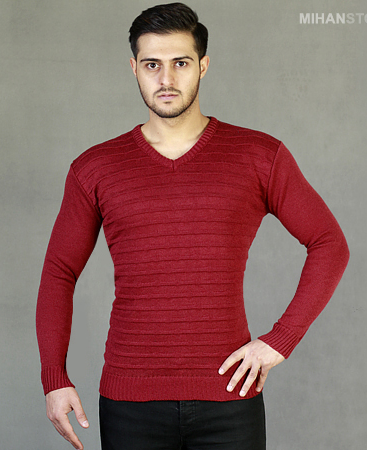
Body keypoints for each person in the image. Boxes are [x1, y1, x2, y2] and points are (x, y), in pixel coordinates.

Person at [36, 3, 350, 450]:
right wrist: (54, 377)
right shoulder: (96, 167)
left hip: (231, 399)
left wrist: (280, 341)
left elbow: (329, 243)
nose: (166, 79)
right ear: (134, 69)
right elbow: (59, 272)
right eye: (152, 65)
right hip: (130, 403)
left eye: (180, 63)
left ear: (202, 66)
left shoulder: (258, 156)